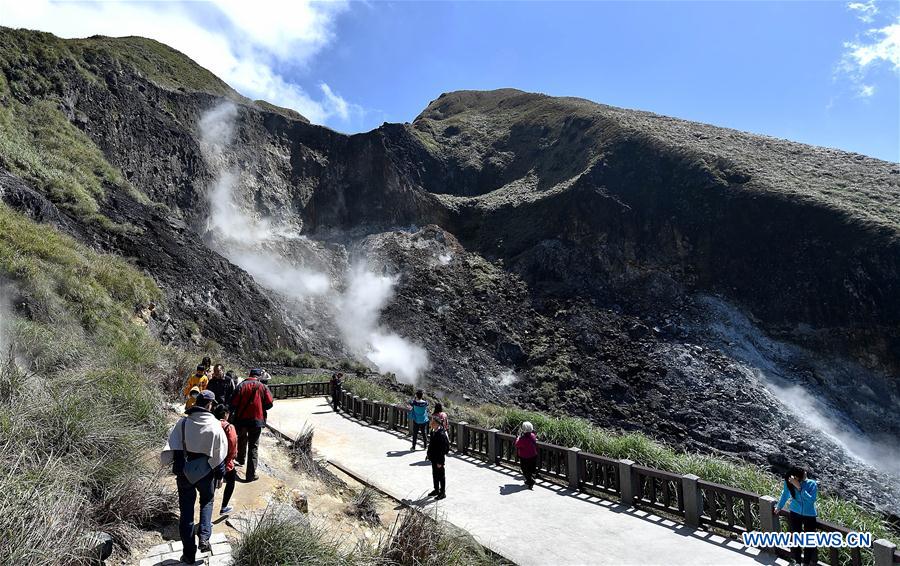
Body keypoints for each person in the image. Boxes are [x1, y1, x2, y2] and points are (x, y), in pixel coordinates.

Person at [160, 390, 227, 564]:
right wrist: (220, 475)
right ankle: (204, 538)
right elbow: (219, 455)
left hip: (184, 473)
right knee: (207, 501)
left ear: (197, 403)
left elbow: (171, 449)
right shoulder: (214, 426)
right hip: (206, 473)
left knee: (186, 514)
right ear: (210, 405)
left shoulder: (182, 423)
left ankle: (189, 555)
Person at [229, 368, 274, 482]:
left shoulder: (241, 385)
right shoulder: (263, 387)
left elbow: (233, 403)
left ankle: (241, 460)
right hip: (256, 421)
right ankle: (250, 474)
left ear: (249, 375)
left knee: (242, 439)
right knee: (253, 446)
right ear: (258, 376)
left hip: (241, 420)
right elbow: (269, 404)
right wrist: (260, 405)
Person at [775, 465, 818, 565]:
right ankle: (797, 561)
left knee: (809, 540)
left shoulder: (812, 484)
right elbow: (785, 494)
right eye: (804, 473)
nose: (806, 473)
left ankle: (806, 563)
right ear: (797, 477)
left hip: (809, 515)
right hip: (795, 513)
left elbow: (811, 500)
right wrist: (779, 507)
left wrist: (799, 487)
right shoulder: (789, 482)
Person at [213, 403, 238, 516]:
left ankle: (207, 515)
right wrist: (232, 458)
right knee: (231, 482)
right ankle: (224, 507)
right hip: (225, 460)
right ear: (225, 414)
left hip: (211, 460)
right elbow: (232, 444)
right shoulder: (229, 427)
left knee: (211, 487)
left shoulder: (211, 424)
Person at [426, 421, 450, 500]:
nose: (431, 424)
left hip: (439, 459)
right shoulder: (433, 432)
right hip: (433, 457)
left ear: (438, 424)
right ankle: (436, 490)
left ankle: (442, 492)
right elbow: (431, 445)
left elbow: (444, 449)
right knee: (435, 474)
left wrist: (440, 462)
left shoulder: (441, 434)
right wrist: (428, 454)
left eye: (433, 423)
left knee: (441, 476)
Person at [515, 421, 538, 489]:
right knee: (532, 469)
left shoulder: (522, 438)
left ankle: (531, 480)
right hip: (533, 455)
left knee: (525, 469)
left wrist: (518, 438)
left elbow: (517, 444)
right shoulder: (533, 435)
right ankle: (530, 481)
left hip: (525, 457)